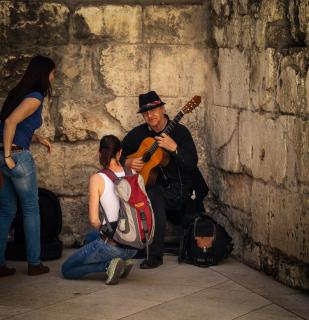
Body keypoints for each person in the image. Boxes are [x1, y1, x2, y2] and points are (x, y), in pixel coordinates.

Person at [121, 91, 198, 269]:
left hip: (178, 189)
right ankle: (129, 244)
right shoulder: (139, 134)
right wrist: (128, 161)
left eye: (154, 110)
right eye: (145, 113)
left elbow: (192, 164)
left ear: (163, 109)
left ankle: (155, 255)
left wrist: (175, 149)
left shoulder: (180, 132)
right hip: (152, 185)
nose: (149, 116)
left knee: (153, 195)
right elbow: (118, 153)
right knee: (124, 190)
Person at [0, 55, 55, 277]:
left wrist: (38, 138)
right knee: (31, 210)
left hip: (3, 158)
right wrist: (8, 156)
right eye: (52, 73)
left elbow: (19, 126)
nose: (53, 77)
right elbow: (10, 123)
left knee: (6, 211)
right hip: (16, 158)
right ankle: (34, 263)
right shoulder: (34, 97)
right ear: (43, 74)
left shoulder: (18, 93)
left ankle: (0, 264)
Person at [61, 135, 137, 285]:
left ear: (99, 152)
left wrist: (108, 234)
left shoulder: (97, 179)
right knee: (90, 237)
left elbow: (94, 220)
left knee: (67, 269)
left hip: (114, 246)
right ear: (120, 153)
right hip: (135, 245)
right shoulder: (132, 173)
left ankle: (108, 265)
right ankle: (123, 261)